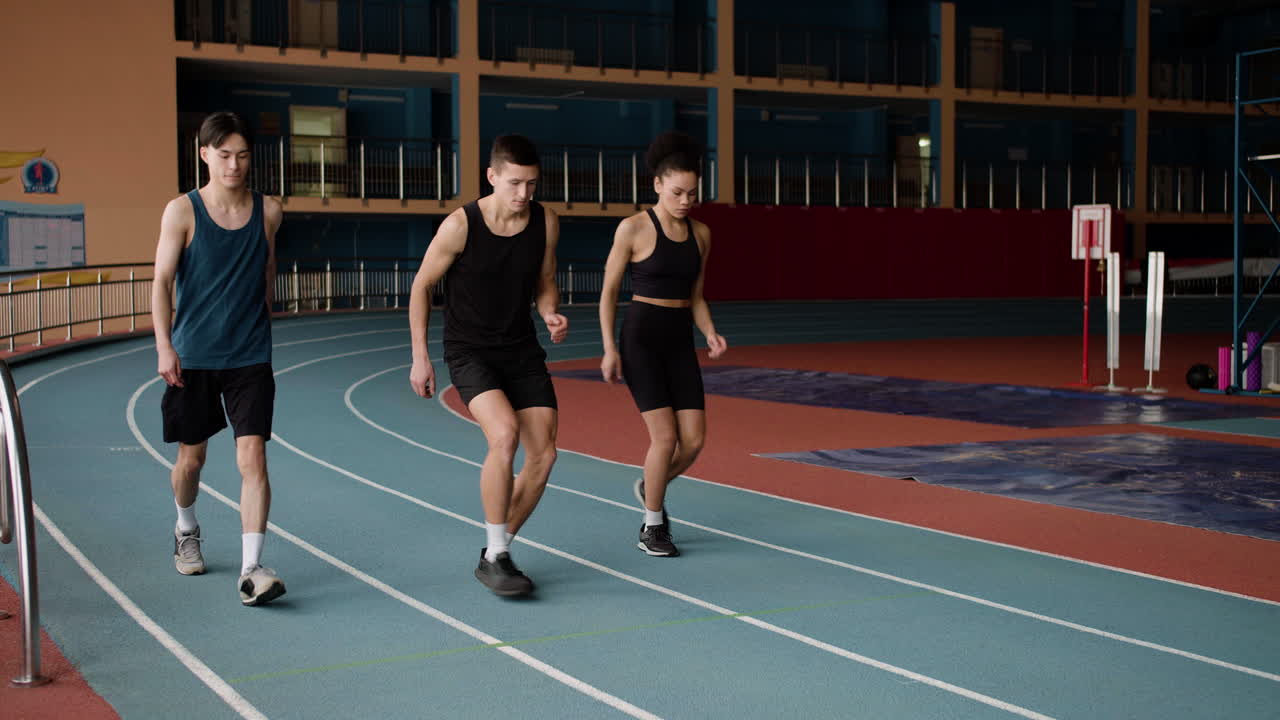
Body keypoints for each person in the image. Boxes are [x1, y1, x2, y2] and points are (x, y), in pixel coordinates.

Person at [408, 134, 567, 597]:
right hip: (470, 351)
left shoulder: (546, 221)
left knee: (544, 455)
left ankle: (496, 550)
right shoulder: (461, 225)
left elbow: (546, 280)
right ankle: (498, 555)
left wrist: (550, 311)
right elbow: (421, 287)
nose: (523, 195)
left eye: (532, 184)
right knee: (504, 436)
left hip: (520, 349)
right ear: (492, 176)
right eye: (514, 183)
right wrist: (420, 357)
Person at [152, 111, 286, 606]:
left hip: (250, 354)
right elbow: (162, 282)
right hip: (194, 356)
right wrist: (165, 345)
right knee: (192, 460)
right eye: (224, 154)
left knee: (253, 456)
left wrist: (258, 318)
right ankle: (186, 526)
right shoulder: (181, 212)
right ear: (204, 153)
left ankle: (252, 566)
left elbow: (266, 270)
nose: (234, 164)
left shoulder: (269, 212)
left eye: (242, 155)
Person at [598, 131, 726, 557]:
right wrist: (609, 349)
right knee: (665, 438)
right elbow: (609, 292)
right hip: (640, 339)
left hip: (678, 340)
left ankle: (651, 486)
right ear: (656, 185)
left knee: (694, 441)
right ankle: (653, 525)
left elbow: (697, 296)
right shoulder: (633, 228)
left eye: (692, 193)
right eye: (677, 192)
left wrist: (709, 332)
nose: (685, 200)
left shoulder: (702, 235)